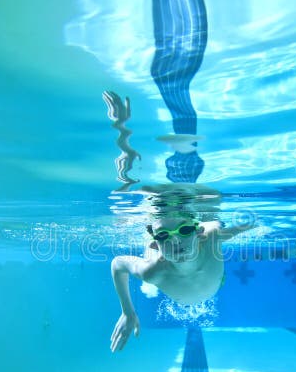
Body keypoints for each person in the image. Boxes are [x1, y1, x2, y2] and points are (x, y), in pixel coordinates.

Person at [103, 91, 256, 352]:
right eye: (163, 236)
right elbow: (118, 264)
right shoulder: (154, 270)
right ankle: (122, 132)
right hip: (194, 279)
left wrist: (250, 225)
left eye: (184, 230)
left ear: (197, 232)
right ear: (155, 236)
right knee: (127, 183)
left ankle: (126, 136)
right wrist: (128, 311)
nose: (174, 243)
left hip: (214, 281)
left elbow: (238, 228)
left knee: (132, 182)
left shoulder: (212, 234)